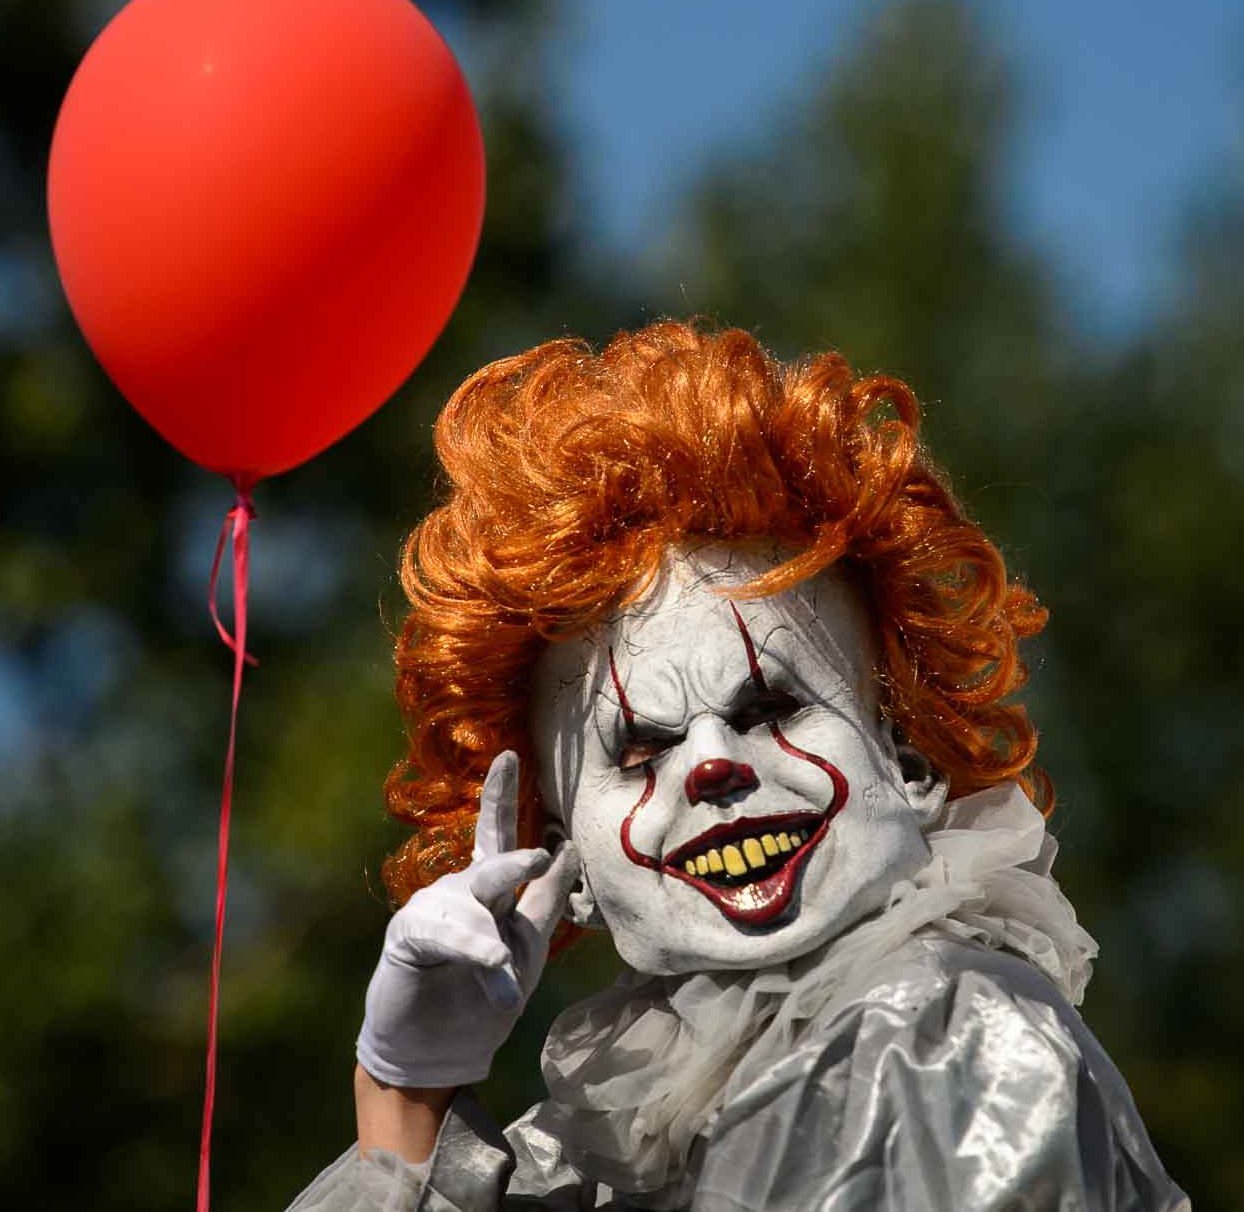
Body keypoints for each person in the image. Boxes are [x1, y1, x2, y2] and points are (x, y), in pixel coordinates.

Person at [290, 321, 1188, 1210]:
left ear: (906, 765)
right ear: (568, 870)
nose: (712, 766)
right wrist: (406, 1097)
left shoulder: (937, 1035)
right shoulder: (594, 1159)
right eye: (639, 750)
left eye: (772, 710)